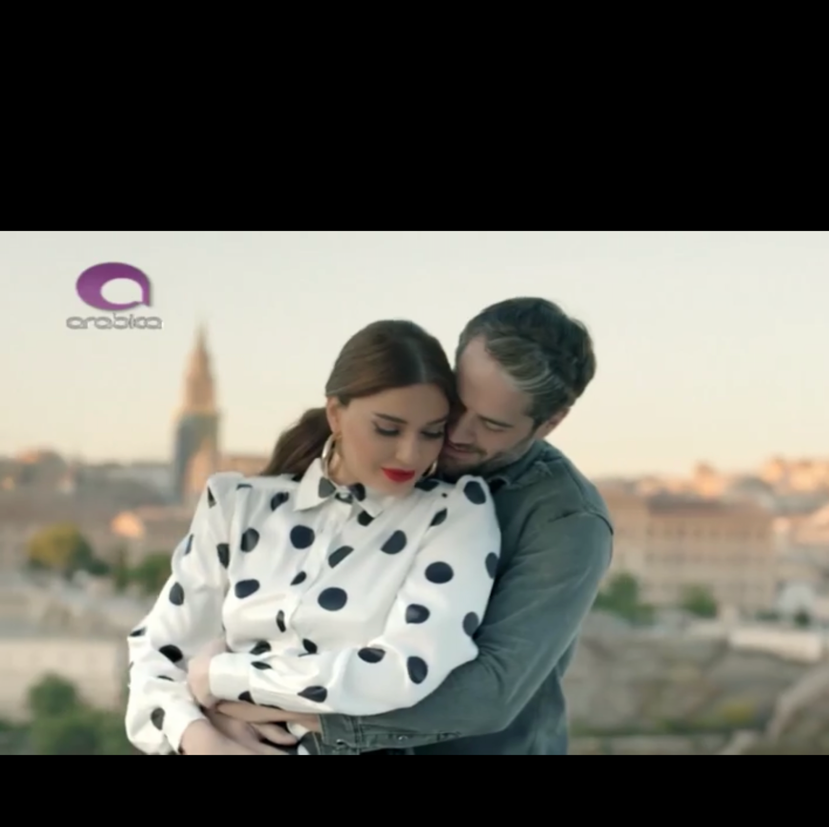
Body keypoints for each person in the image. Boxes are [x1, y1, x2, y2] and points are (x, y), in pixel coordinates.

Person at [211, 297, 613, 755]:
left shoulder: (568, 521)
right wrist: (218, 702)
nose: (456, 433)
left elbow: (491, 691)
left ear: (550, 423)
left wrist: (287, 712)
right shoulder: (390, 445)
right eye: (457, 403)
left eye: (491, 424)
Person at [125, 320, 501, 755]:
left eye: (431, 432)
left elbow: (406, 670)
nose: (410, 454)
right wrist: (206, 741)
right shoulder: (234, 504)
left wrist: (220, 676)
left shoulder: (454, 513)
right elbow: (157, 658)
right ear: (335, 414)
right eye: (388, 429)